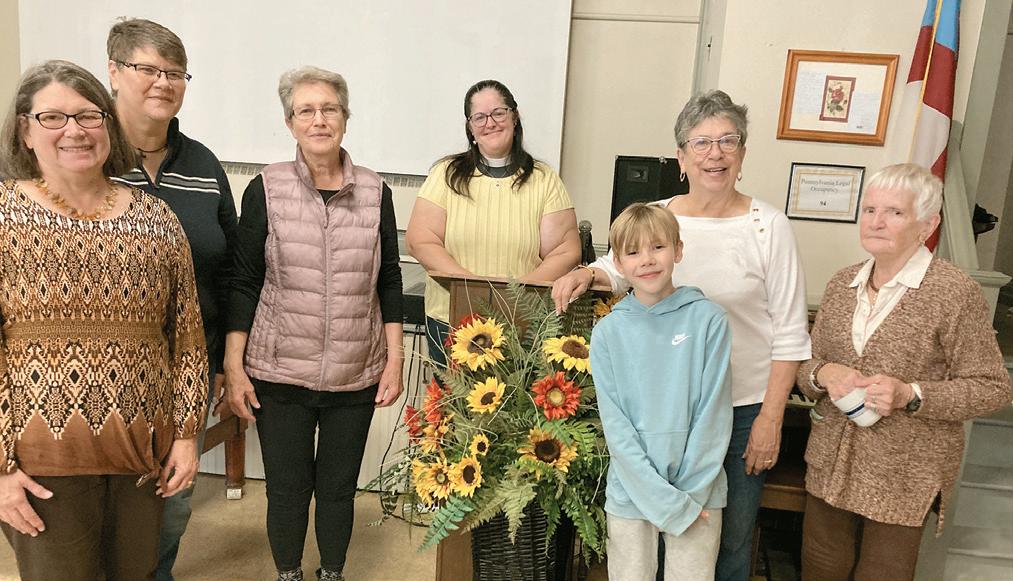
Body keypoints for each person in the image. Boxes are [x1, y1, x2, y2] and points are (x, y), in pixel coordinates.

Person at [552, 90, 811, 581]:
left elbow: (792, 335)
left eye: (728, 141)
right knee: (647, 545)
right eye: (702, 142)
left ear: (742, 153)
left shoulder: (768, 226)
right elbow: (623, 262)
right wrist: (586, 273)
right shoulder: (660, 215)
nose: (715, 153)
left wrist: (771, 418)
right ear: (681, 156)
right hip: (662, 412)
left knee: (726, 542)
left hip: (741, 410)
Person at [0, 60, 207, 580]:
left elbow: (186, 337)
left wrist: (186, 436)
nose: (74, 130)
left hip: (142, 453)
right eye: (52, 117)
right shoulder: (4, 216)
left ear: (108, 125)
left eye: (88, 116)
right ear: (25, 130)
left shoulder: (156, 219)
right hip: (42, 462)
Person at [224, 66, 403, 581]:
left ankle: (332, 572)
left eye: (330, 109)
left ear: (345, 118)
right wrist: (234, 367)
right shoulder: (267, 188)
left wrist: (393, 361)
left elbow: (388, 280)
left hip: (355, 370)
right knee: (287, 490)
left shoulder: (375, 192)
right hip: (280, 371)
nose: (319, 119)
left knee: (338, 489)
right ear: (290, 122)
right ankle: (288, 573)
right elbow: (244, 281)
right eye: (306, 110)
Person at [797, 163, 1011, 581]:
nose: (876, 221)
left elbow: (993, 387)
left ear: (927, 225)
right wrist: (823, 374)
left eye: (895, 212)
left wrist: (911, 395)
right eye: (870, 210)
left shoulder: (954, 292)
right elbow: (806, 366)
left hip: (903, 474)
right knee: (819, 568)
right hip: (829, 465)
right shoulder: (842, 284)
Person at [106, 18, 238, 580]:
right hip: (103, 372)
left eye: (176, 73)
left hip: (189, 368)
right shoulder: (82, 155)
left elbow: (231, 272)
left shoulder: (204, 167)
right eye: (148, 69)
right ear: (114, 72)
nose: (163, 82)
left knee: (173, 504)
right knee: (104, 508)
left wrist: (226, 361)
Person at [591, 203, 732, 580]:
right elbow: (616, 427)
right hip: (632, 489)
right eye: (633, 252)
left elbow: (714, 416)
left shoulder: (709, 321)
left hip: (698, 493)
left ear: (678, 250)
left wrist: (688, 496)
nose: (647, 260)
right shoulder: (607, 333)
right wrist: (659, 498)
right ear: (617, 263)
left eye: (658, 247)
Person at [405, 79, 580, 366]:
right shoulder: (445, 174)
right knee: (452, 397)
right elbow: (421, 240)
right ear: (470, 127)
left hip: (521, 321)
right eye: (480, 117)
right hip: (451, 320)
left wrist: (516, 297)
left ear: (515, 116)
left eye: (499, 112)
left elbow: (565, 249)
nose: (490, 123)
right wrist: (470, 292)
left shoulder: (544, 179)